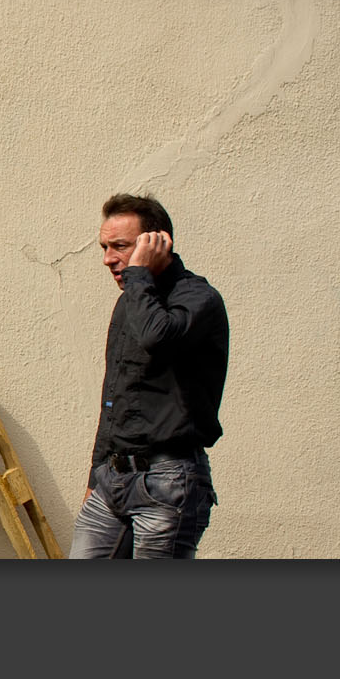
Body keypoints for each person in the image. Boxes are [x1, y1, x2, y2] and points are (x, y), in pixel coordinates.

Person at [67, 193, 229, 559]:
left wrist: (139, 273)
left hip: (168, 481)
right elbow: (115, 394)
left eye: (120, 246)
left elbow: (159, 337)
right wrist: (96, 474)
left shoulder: (198, 298)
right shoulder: (130, 302)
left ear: (156, 242)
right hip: (113, 478)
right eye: (104, 247)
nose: (108, 258)